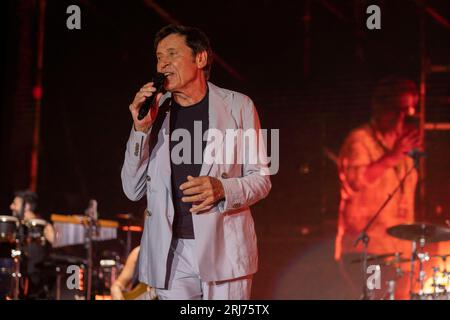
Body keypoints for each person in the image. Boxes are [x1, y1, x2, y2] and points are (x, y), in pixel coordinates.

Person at [121, 24, 271, 300]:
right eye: (158, 56)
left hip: (223, 250)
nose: (162, 63)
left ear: (200, 58)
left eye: (172, 53)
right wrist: (140, 129)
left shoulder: (239, 106)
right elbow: (132, 189)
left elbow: (261, 179)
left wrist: (223, 189)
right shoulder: (157, 111)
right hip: (170, 253)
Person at [334, 76, 421, 299]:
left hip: (398, 250)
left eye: (409, 110)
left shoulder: (403, 148)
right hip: (368, 248)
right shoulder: (360, 140)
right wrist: (392, 156)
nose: (403, 117)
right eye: (398, 109)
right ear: (380, 107)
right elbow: (357, 181)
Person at [9, 190, 55, 299]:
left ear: (26, 207)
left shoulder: (43, 226)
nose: (11, 206)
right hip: (16, 279)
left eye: (15, 204)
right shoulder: (16, 226)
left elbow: (56, 243)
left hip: (35, 287)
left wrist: (48, 230)